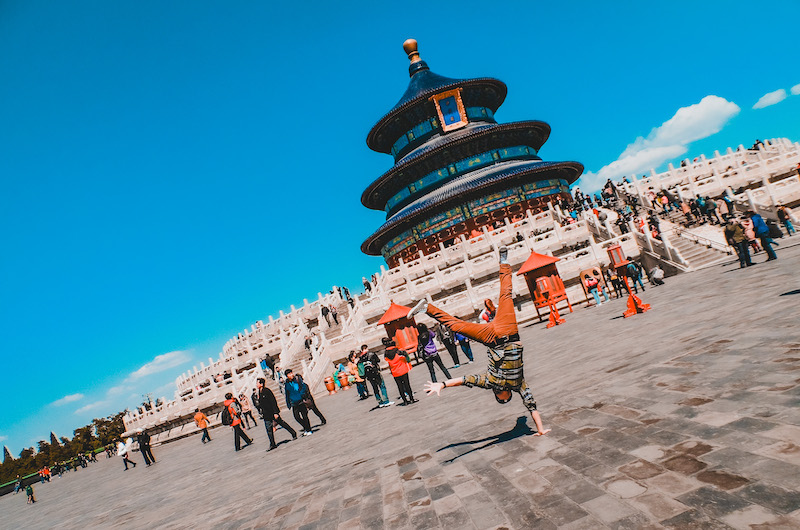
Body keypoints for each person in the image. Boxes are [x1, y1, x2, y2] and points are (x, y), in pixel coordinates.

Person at [410, 247, 550, 436]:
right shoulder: (519, 385)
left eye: (499, 400)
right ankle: (504, 263)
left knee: (456, 326)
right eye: (503, 399)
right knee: (506, 295)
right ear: (508, 396)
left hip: (491, 338)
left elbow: (465, 380)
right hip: (509, 331)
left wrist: (442, 384)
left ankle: (427, 307)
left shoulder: (490, 382)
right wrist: (540, 429)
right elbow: (531, 406)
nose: (500, 398)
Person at [255, 378, 297, 450]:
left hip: (272, 412)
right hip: (266, 414)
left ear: (261, 384)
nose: (256, 384)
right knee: (269, 429)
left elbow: (273, 401)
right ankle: (272, 444)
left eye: (257, 383)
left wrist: (275, 412)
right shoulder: (259, 392)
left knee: (282, 423)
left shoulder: (267, 391)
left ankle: (293, 433)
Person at [284, 369, 326, 436]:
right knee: (296, 417)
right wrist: (288, 403)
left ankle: (309, 429)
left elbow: (303, 387)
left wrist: (302, 395)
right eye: (289, 374)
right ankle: (306, 427)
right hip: (294, 402)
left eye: (291, 373)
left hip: (301, 400)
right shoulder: (287, 384)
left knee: (305, 415)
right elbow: (287, 393)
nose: (291, 374)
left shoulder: (297, 380)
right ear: (287, 376)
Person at [383, 338, 416, 405]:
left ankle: (405, 401)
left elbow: (387, 361)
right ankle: (411, 398)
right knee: (407, 385)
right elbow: (406, 359)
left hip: (394, 371)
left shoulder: (386, 353)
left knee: (400, 386)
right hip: (403, 369)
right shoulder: (398, 351)